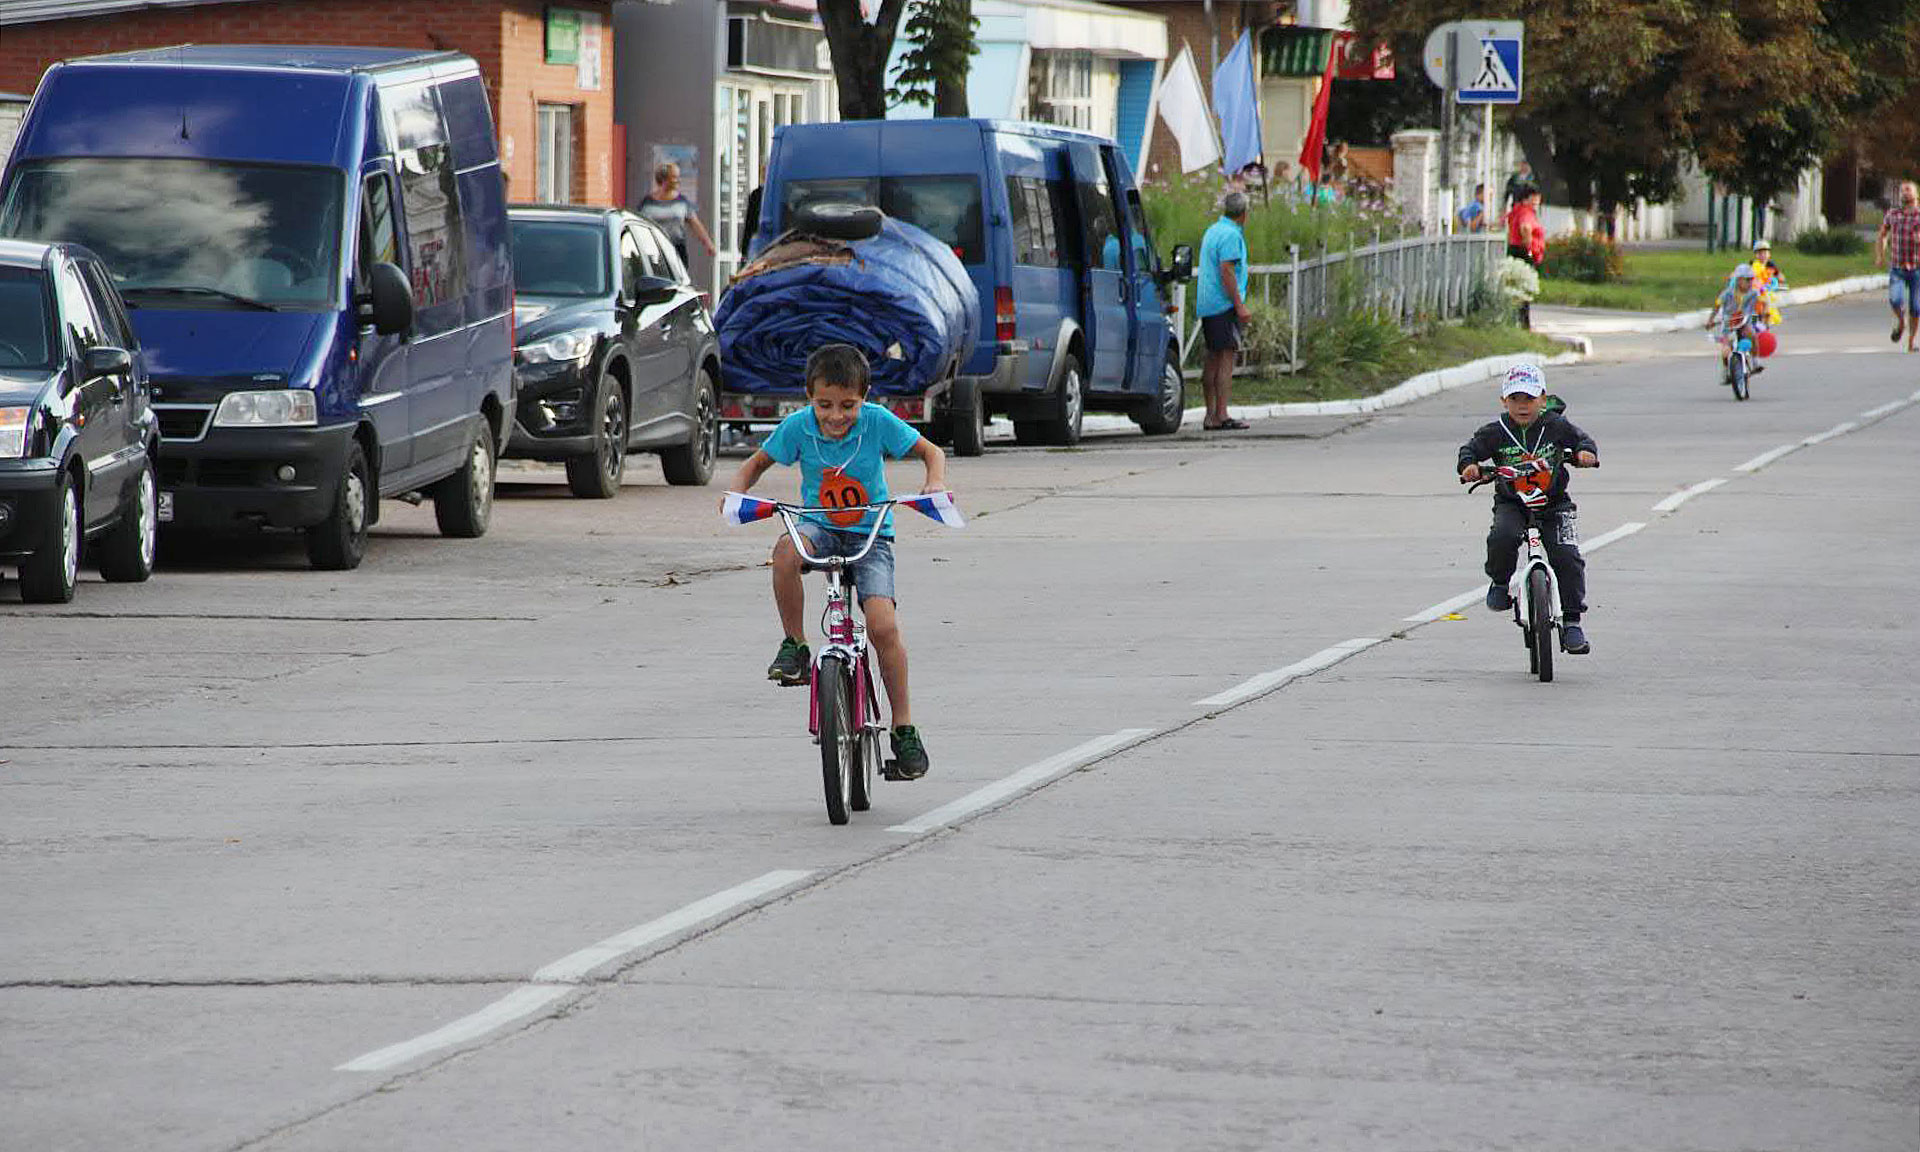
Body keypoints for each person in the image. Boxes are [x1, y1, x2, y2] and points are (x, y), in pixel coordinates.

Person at [723, 344, 947, 779]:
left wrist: (934, 482)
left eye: (848, 405)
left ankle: (904, 728)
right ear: (809, 397)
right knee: (784, 550)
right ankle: (795, 645)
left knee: (883, 627)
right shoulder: (797, 427)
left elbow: (932, 452)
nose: (836, 415)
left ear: (864, 398)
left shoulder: (878, 422)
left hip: (870, 534)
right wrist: (737, 493)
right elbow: (755, 464)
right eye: (824, 404)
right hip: (819, 527)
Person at [1457, 363, 1600, 655]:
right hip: (1513, 502)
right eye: (1515, 399)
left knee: (1567, 556)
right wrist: (1469, 467)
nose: (1522, 406)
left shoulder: (1555, 426)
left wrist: (1585, 453)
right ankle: (1500, 583)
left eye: (1529, 399)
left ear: (1543, 399)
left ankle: (1572, 621)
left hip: (1554, 502)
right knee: (1502, 536)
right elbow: (1469, 450)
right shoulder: (1495, 432)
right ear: (1504, 401)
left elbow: (1582, 441)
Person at [1196, 190, 1252, 431]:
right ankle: (1221, 414)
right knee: (1225, 358)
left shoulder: (1213, 230)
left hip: (1208, 303)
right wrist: (1239, 305)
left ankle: (1210, 414)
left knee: (1212, 357)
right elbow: (1227, 270)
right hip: (1223, 304)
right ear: (1244, 214)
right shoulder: (1231, 235)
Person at [636, 162, 715, 271]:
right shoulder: (647, 203)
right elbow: (638, 224)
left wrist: (708, 244)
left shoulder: (682, 202)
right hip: (653, 251)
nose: (678, 180)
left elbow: (695, 224)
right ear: (663, 179)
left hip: (677, 250)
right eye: (674, 177)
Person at [1876, 179, 1920, 352]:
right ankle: (1901, 323)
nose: (1904, 193)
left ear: (1916, 194)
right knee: (1895, 300)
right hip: (1897, 268)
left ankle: (1911, 342)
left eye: (1908, 190)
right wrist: (1880, 255)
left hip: (1917, 268)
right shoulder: (1893, 214)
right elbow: (1882, 235)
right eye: (1902, 191)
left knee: (1916, 308)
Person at [1705, 262, 1768, 379]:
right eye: (1747, 280)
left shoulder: (1753, 293)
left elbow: (1763, 303)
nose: (1750, 283)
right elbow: (1717, 306)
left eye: (1751, 280)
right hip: (1729, 321)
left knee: (1752, 335)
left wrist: (1763, 316)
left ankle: (1755, 361)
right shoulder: (1727, 293)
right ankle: (1726, 370)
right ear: (1739, 280)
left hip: (1746, 320)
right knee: (1726, 347)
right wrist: (1710, 320)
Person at [1505, 186, 1545, 328]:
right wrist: (1530, 250)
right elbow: (1525, 228)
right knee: (1524, 287)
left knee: (1516, 286)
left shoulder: (1516, 211)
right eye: (1535, 198)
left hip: (1514, 250)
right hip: (1524, 252)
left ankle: (1516, 320)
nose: (1537, 202)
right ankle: (1523, 322)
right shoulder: (1526, 212)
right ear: (1526, 199)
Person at [1748, 238, 1788, 324]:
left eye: (1765, 253)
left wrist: (1777, 278)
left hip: (1767, 292)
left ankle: (1765, 325)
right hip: (1755, 292)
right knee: (1754, 311)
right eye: (1760, 253)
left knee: (1768, 310)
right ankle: (1753, 324)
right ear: (1756, 255)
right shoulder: (1754, 265)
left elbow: (1781, 278)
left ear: (1769, 254)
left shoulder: (1771, 265)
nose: (1763, 256)